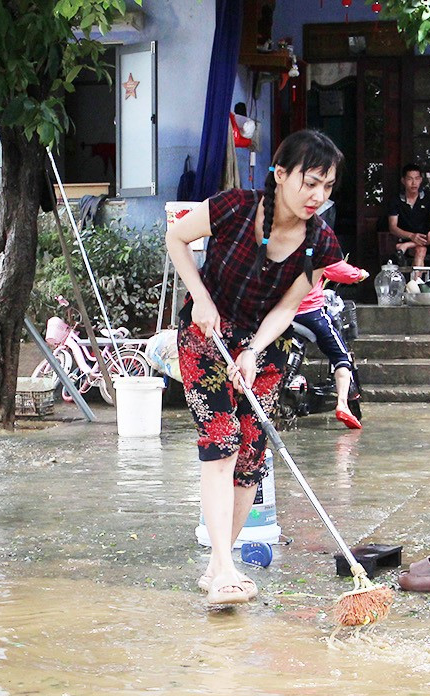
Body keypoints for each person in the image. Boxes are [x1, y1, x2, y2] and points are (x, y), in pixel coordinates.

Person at [165, 129, 345, 607]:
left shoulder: (320, 242)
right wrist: (200, 298)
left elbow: (289, 307)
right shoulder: (234, 206)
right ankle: (224, 568)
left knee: (249, 458)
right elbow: (176, 237)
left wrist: (253, 349)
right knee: (220, 443)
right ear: (280, 175)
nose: (318, 196)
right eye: (310, 182)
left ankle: (218, 564)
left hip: (264, 349)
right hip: (205, 336)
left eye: (327, 187)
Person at [294, 259, 370, 429]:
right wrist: (360, 274)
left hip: (278, 313)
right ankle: (342, 404)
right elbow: (344, 272)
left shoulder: (278, 246)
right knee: (341, 357)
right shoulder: (318, 251)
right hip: (310, 314)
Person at [386, 163, 430, 268]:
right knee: (421, 250)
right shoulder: (396, 200)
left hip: (427, 238)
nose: (414, 183)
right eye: (410, 179)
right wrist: (411, 236)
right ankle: (415, 284)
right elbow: (393, 227)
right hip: (406, 238)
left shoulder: (428, 197)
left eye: (417, 178)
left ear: (420, 180)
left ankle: (406, 246)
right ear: (403, 181)